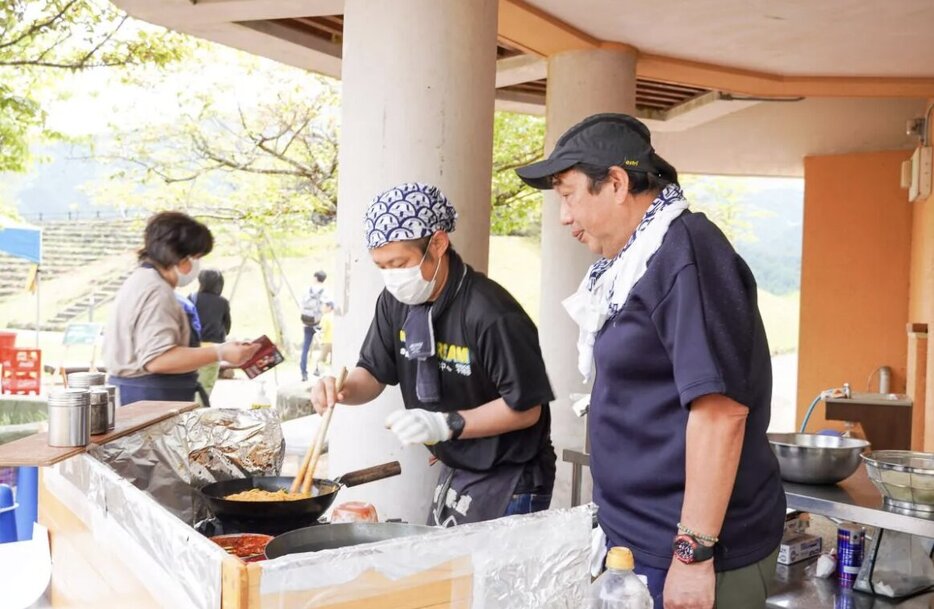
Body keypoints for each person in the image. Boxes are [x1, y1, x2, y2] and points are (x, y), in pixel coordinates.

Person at [516, 113, 785, 609]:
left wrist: (692, 553)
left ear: (616, 182)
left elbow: (721, 413)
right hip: (637, 540)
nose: (563, 216)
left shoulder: (687, 255)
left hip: (692, 552)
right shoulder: (634, 262)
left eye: (569, 194)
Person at [311, 182, 556, 527]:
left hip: (511, 476)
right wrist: (340, 389)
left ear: (438, 244)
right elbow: (373, 372)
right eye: (381, 266)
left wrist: (445, 424)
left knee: (493, 581)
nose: (392, 277)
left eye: (399, 262)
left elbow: (525, 409)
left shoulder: (490, 312)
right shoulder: (394, 302)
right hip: (457, 465)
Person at [103, 211, 259, 406]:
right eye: (196, 257)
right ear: (179, 256)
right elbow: (158, 359)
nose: (197, 265)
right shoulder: (157, 292)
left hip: (145, 396)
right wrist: (220, 352)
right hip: (147, 400)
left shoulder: (141, 280)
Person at [190, 268, 232, 398]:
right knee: (205, 385)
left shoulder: (192, 298)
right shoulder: (222, 302)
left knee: (190, 383)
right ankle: (197, 412)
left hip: (192, 348)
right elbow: (227, 326)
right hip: (213, 349)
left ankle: (188, 409)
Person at [299, 270, 328, 382]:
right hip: (319, 323)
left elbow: (301, 304)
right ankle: (319, 370)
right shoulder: (326, 291)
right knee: (324, 347)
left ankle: (303, 373)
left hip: (306, 322)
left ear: (315, 277)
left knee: (305, 348)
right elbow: (329, 306)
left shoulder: (307, 289)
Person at [312, 300, 334, 376]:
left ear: (329, 307)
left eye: (325, 307)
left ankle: (319, 372)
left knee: (321, 359)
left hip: (327, 341)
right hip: (335, 341)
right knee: (333, 360)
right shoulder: (335, 316)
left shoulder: (325, 317)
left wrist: (317, 335)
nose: (323, 308)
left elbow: (322, 329)